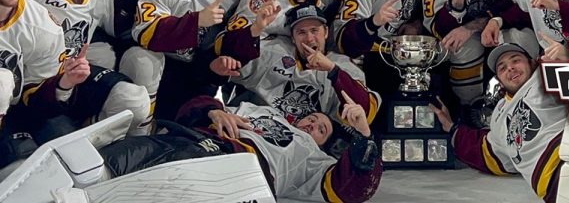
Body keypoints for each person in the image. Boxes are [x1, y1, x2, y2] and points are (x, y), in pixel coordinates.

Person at [98, 93, 382, 202]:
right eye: (311, 118)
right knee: (110, 160)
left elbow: (352, 191)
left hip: (229, 169)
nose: (311, 125)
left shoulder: (312, 157)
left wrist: (364, 136)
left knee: (142, 188)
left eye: (321, 129)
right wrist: (213, 112)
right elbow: (194, 104)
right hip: (188, 137)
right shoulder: (263, 111)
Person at [22, 0, 151, 136]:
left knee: (135, 100)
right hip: (37, 83)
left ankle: (89, 132)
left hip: (78, 73)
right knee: (62, 142)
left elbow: (116, 30)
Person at [121, 0, 241, 124]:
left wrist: (217, 63)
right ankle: (138, 128)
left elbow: (223, 41)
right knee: (143, 59)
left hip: (193, 71)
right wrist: (197, 21)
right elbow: (145, 34)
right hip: (159, 62)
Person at [431, 36, 566, 203]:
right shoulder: (499, 114)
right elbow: (484, 151)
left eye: (516, 60)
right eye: (502, 68)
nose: (510, 68)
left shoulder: (544, 77)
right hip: (554, 190)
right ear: (499, 80)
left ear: (532, 62)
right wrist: (451, 128)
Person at [215, 1, 381, 127]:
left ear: (326, 32)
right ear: (292, 38)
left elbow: (365, 113)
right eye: (301, 32)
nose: (309, 38)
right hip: (260, 129)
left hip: (305, 147)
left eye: (314, 30)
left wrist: (332, 71)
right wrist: (255, 30)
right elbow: (224, 62)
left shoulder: (343, 67)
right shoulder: (273, 51)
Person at [0, 0, 91, 167]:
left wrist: (63, 83)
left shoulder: (42, 25)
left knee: (72, 157)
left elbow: (35, 97)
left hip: (19, 108)